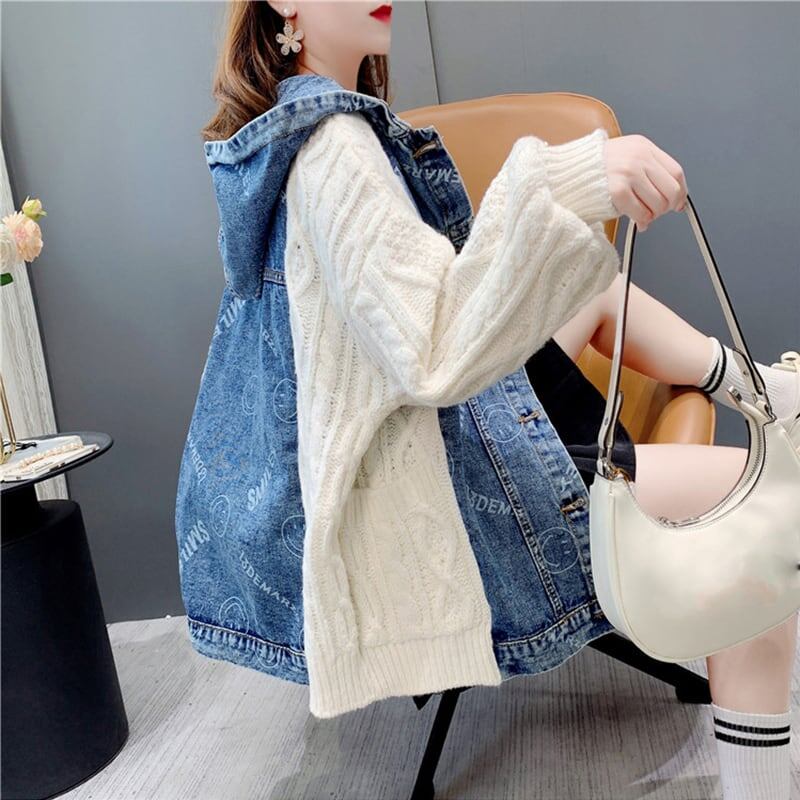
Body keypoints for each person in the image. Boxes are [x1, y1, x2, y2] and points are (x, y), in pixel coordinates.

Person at [178, 1, 799, 796]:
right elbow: (434, 352)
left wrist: (566, 198)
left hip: (440, 422)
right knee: (762, 505)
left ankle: (768, 391)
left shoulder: (302, 132)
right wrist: (568, 180)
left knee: (590, 286)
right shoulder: (333, 148)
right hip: (454, 476)